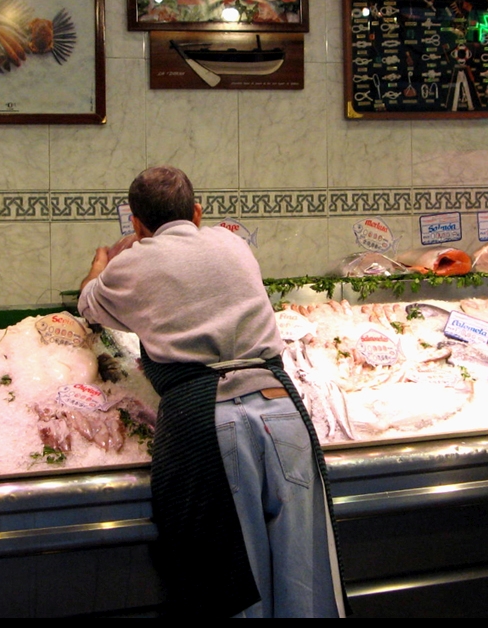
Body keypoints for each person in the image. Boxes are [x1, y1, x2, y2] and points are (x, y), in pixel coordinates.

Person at [77, 166, 346, 618]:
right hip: (281, 408)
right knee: (308, 573)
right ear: (197, 213)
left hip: (208, 424)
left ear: (137, 223)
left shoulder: (131, 263)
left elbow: (89, 304)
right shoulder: (232, 242)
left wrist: (102, 264)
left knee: (231, 584)